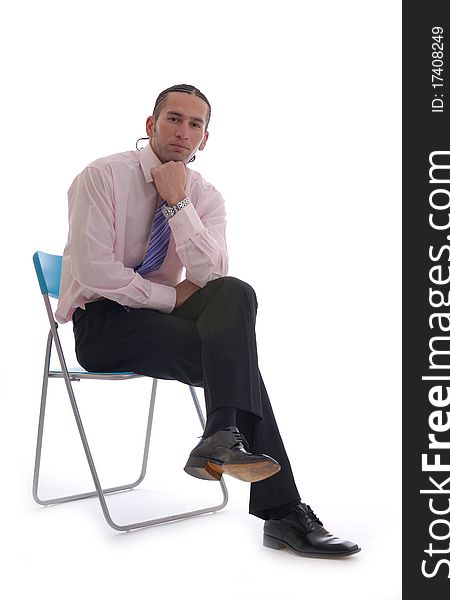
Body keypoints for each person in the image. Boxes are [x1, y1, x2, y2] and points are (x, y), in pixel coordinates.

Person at [56, 83, 360, 558]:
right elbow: (96, 272)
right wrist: (168, 297)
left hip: (160, 323)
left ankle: (220, 435)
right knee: (238, 364)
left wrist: (177, 203)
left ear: (205, 138)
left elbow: (212, 277)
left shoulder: (205, 197)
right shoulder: (102, 175)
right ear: (151, 125)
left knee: (235, 292)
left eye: (195, 124)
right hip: (103, 327)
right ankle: (282, 513)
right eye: (174, 119)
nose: (183, 131)